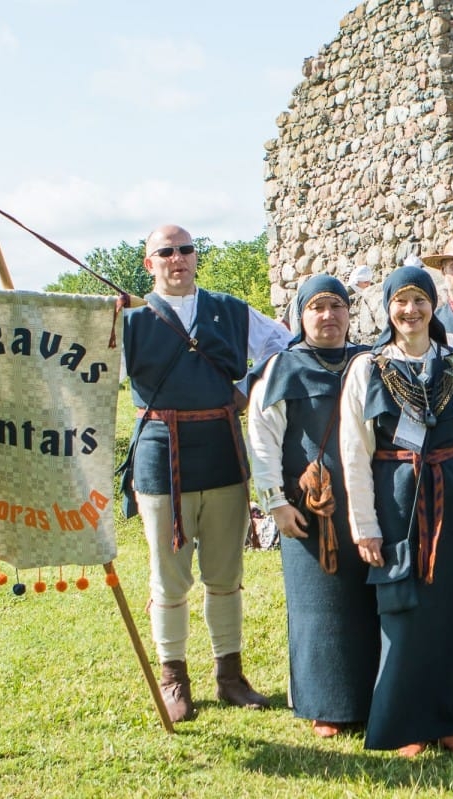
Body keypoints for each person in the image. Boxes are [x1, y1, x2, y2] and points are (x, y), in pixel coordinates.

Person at [120, 224, 291, 723]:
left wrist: (248, 388)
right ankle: (174, 679)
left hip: (221, 449)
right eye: (165, 252)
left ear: (196, 257)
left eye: (186, 249)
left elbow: (283, 344)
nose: (178, 258)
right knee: (169, 579)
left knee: (225, 574)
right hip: (160, 454)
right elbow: (86, 366)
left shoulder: (231, 311)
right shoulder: (129, 319)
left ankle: (230, 676)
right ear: (149, 264)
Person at [339, 264, 453, 757]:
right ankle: (408, 723)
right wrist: (364, 524)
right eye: (400, 302)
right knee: (403, 612)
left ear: (433, 307)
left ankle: (450, 721)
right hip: (396, 504)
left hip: (452, 498)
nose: (410, 311)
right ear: (388, 309)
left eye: (419, 301)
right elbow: (354, 452)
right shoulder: (367, 369)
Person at [247, 275, 379, 738]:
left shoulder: (371, 361)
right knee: (318, 608)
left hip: (368, 502)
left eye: (336, 306)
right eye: (317, 307)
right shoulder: (281, 368)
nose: (328, 316)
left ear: (349, 313)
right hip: (311, 508)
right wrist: (275, 505)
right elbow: (261, 441)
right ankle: (326, 705)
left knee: (368, 602)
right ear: (300, 317)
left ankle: (371, 697)